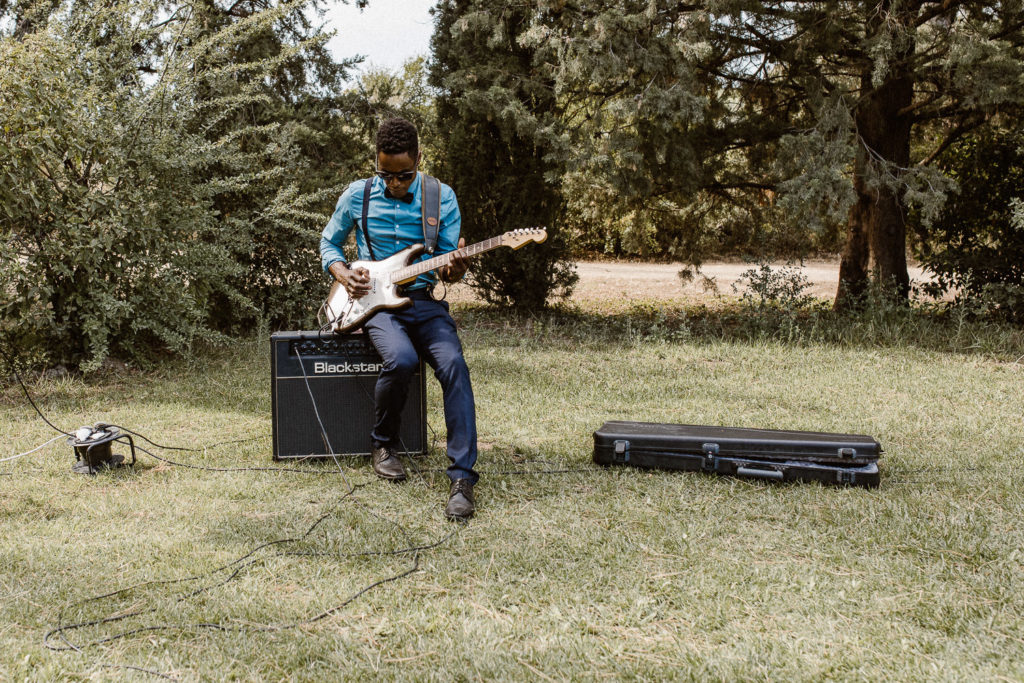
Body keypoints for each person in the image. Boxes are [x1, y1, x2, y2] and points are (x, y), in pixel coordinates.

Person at [320, 117, 478, 520]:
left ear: (419, 159)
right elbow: (329, 243)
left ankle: (462, 478)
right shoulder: (357, 195)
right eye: (384, 174)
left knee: (454, 366)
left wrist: (455, 268)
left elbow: (446, 266)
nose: (393, 184)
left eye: (403, 175)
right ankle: (383, 443)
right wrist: (343, 274)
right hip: (375, 305)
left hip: (423, 301)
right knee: (402, 360)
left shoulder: (440, 197)